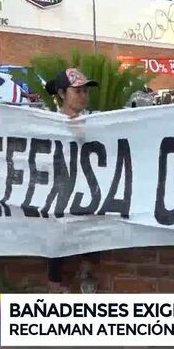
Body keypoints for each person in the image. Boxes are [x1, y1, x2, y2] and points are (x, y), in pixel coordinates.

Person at [44, 68, 100, 293]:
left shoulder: (97, 120)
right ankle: (54, 286)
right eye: (77, 91)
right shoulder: (48, 122)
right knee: (58, 234)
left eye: (85, 91)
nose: (83, 95)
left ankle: (87, 272)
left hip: (89, 188)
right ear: (61, 94)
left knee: (96, 226)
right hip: (61, 189)